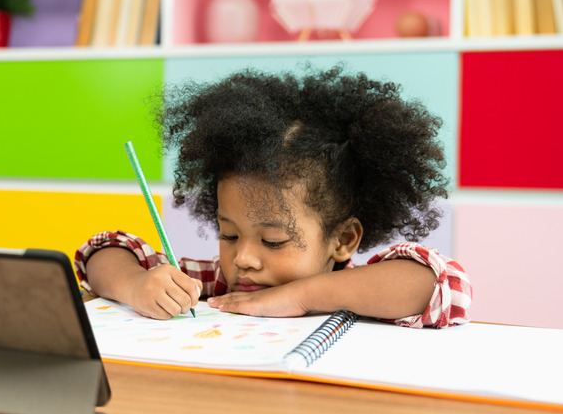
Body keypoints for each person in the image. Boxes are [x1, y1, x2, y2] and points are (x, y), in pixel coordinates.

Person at [74, 65, 472, 328]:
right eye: (229, 235)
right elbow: (105, 250)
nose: (242, 258)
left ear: (343, 239)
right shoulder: (216, 287)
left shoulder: (364, 293)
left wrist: (300, 297)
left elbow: (447, 285)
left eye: (273, 241)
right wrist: (134, 287)